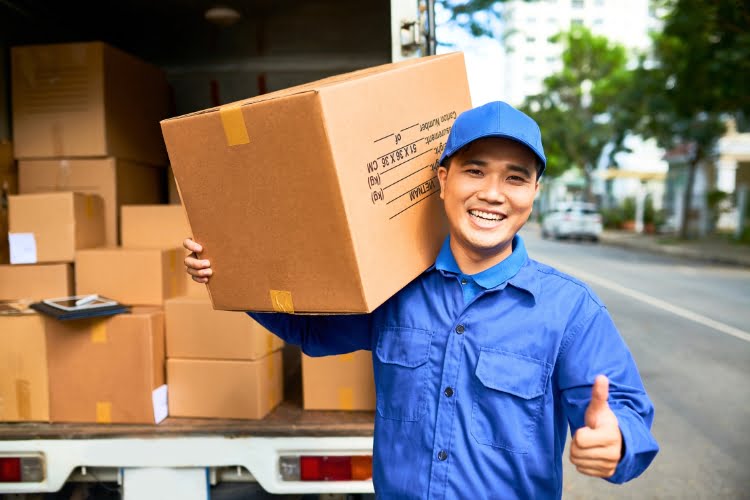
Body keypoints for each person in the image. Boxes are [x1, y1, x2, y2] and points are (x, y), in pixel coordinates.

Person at [184, 101, 659, 499]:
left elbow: (624, 412)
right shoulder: (395, 292)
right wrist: (228, 273)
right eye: (475, 171)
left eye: (515, 178)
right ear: (442, 178)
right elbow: (311, 331)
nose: (492, 194)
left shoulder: (569, 310)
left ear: (535, 192)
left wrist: (617, 442)